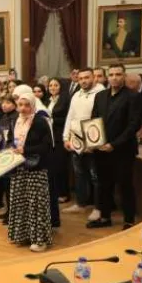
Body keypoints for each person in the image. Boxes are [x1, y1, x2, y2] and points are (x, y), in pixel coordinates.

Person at [89, 64, 140, 230]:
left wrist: (114, 144)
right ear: (106, 77)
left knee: (125, 185)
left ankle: (129, 220)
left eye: (118, 74)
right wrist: (92, 142)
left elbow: (134, 125)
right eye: (111, 74)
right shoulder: (100, 96)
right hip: (101, 149)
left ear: (124, 76)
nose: (114, 77)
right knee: (104, 185)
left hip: (123, 150)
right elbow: (94, 120)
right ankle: (105, 217)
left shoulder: (132, 96)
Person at [8, 93, 53, 252]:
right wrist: (11, 148)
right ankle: (22, 235)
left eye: (27, 105)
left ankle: (40, 240)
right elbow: (10, 140)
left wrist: (25, 150)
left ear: (33, 106)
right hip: (18, 166)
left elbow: (46, 146)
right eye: (20, 105)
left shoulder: (40, 121)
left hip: (36, 168)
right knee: (20, 201)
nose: (23, 108)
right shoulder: (15, 120)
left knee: (36, 204)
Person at [62, 68, 104, 222]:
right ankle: (80, 204)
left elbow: (101, 118)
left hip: (94, 141)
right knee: (79, 174)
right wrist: (65, 137)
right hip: (76, 141)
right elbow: (70, 117)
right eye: (80, 78)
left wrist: (94, 143)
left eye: (87, 77)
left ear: (94, 78)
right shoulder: (76, 95)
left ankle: (99, 208)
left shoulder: (101, 93)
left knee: (96, 177)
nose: (83, 81)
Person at [46, 78, 71, 203]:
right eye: (50, 85)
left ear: (61, 87)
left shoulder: (65, 100)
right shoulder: (47, 100)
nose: (53, 87)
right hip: (50, 137)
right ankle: (54, 192)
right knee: (53, 166)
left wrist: (52, 120)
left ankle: (64, 193)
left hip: (60, 136)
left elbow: (68, 118)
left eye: (56, 85)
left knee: (61, 166)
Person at [0, 97, 18, 223]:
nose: (4, 105)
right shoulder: (4, 117)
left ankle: (13, 214)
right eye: (3, 103)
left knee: (12, 185)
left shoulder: (16, 117)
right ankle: (9, 211)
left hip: (12, 153)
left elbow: (15, 137)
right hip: (3, 153)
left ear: (15, 104)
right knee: (6, 185)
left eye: (8, 102)